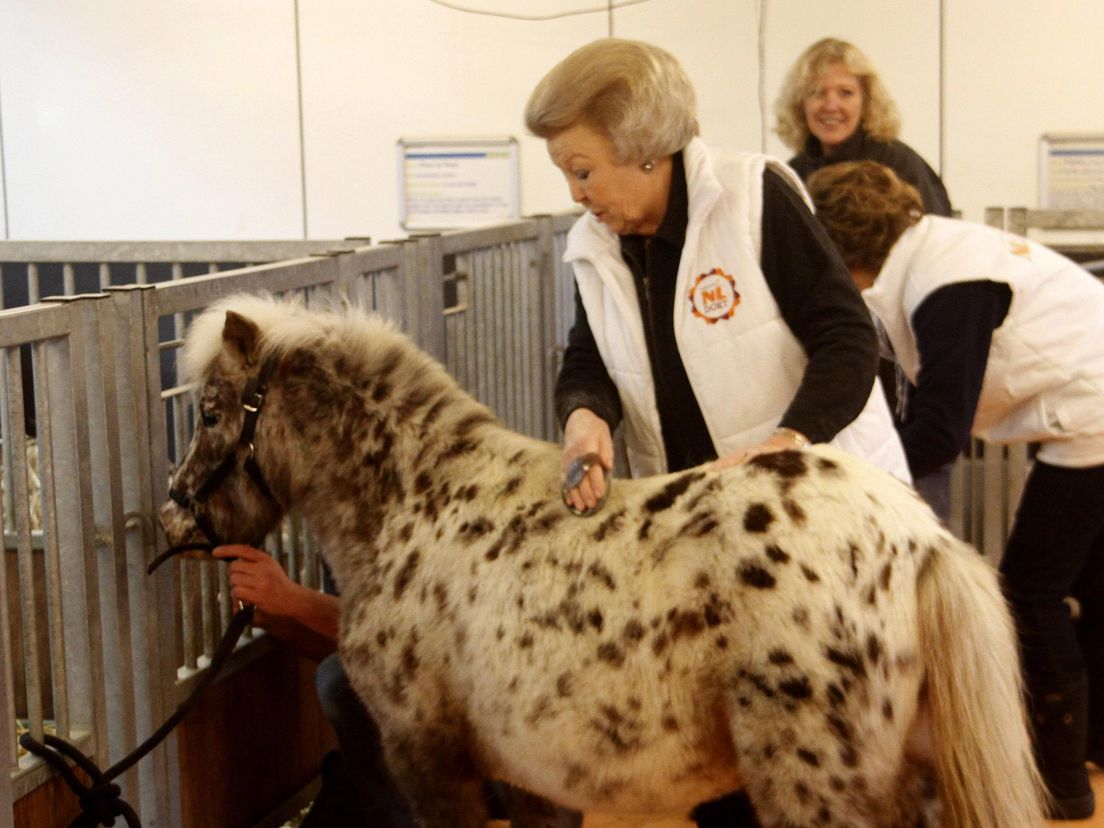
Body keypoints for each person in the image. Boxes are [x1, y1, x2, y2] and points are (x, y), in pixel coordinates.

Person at [524, 38, 908, 826]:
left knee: (823, 754)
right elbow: (586, 359)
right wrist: (586, 420)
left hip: (819, 516)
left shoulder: (754, 196)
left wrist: (787, 443)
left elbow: (848, 340)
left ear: (643, 149)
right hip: (706, 525)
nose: (576, 192)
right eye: (566, 171)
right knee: (727, 754)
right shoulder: (595, 245)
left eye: (583, 168)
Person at [806, 159, 1104, 821]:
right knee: (1090, 586)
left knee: (1031, 591)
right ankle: (1091, 751)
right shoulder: (934, 250)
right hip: (1085, 413)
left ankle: (1061, 786)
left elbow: (940, 428)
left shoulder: (947, 282)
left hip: (1095, 415)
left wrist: (851, 492)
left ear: (838, 248)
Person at [775, 36, 955, 519]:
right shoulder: (788, 175)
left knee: (915, 521)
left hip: (903, 373)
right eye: (816, 92)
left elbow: (934, 262)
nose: (829, 105)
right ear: (800, 103)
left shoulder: (903, 165)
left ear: (866, 100)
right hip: (828, 374)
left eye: (845, 92)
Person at [212, 544, 420, 828]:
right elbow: (350, 649)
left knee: (338, 681)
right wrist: (280, 621)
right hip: (392, 757)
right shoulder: (336, 525)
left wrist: (293, 599)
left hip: (466, 745)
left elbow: (411, 644)